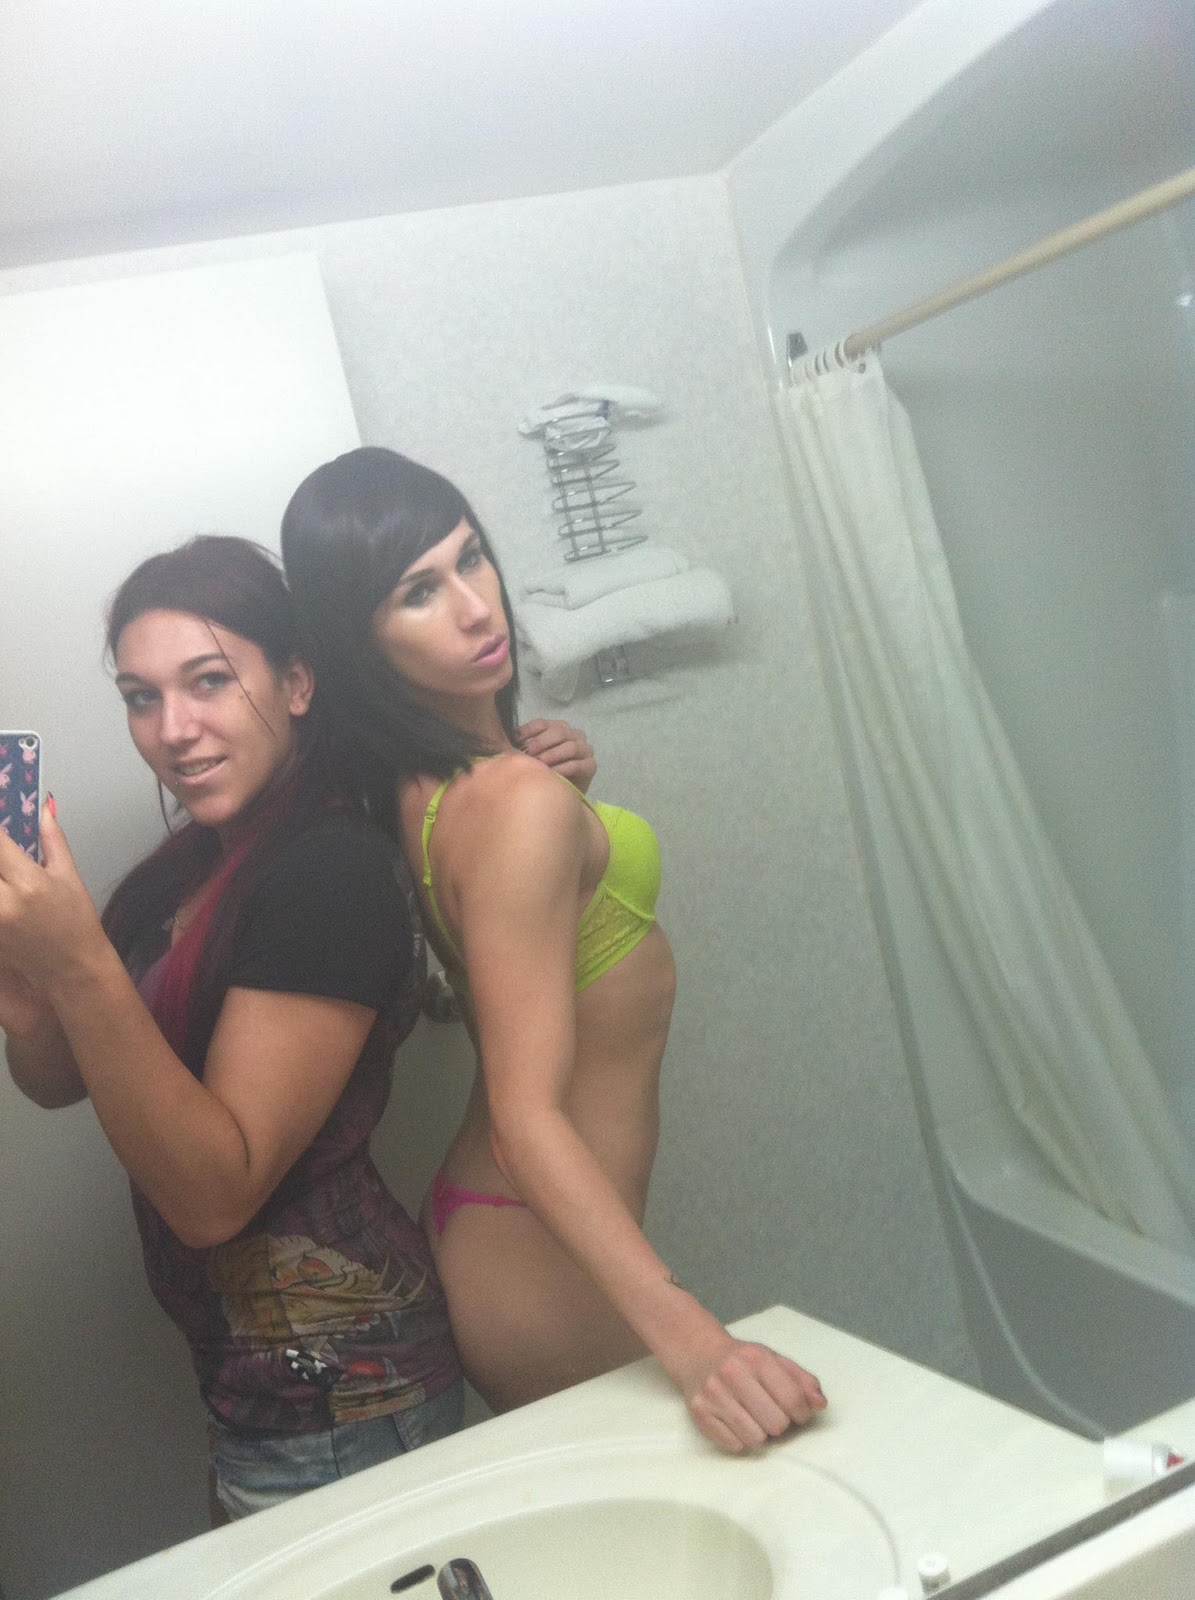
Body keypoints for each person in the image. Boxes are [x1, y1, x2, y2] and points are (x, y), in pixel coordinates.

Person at [281, 447, 828, 1453]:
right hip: (528, 1250)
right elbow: (526, 1122)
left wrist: (568, 802)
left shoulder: (430, 784)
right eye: (417, 592)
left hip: (502, 1233)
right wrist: (701, 1345)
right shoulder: (513, 804)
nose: (475, 607)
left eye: (470, 558)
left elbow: (517, 905)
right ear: (358, 642)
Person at [0, 536, 470, 1523]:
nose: (174, 729)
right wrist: (30, 992)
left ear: (297, 683)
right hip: (253, 1388)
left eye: (209, 680)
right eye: (141, 696)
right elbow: (59, 1080)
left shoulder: (329, 871)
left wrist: (79, 961)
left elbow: (214, 1196)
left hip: (348, 1393)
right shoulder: (194, 867)